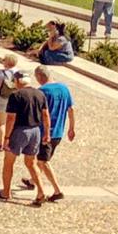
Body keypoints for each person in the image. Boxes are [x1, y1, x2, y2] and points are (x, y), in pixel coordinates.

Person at [0, 68, 49, 206]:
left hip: (20, 131)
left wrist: (6, 138)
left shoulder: (16, 96)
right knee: (31, 163)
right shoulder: (40, 94)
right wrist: (47, 133)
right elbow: (46, 115)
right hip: (35, 131)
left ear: (17, 81)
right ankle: (41, 191)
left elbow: (11, 118)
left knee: (8, 161)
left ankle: (6, 192)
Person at [34, 66, 75, 202]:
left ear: (39, 77)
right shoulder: (64, 88)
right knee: (42, 158)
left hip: (45, 132)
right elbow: (71, 109)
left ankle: (57, 190)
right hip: (59, 132)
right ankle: (32, 180)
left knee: (43, 160)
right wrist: (71, 128)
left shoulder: (41, 92)